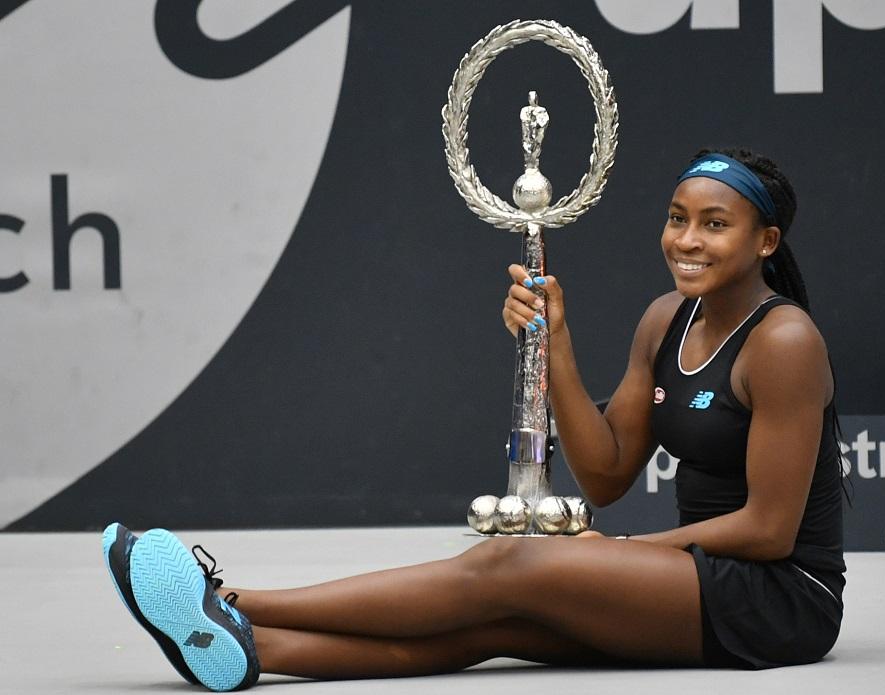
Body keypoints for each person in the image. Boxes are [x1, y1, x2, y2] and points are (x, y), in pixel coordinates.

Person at [103, 148, 845, 691]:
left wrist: (626, 553)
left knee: (508, 563)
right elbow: (609, 470)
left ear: (765, 242)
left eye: (715, 224)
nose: (687, 240)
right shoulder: (665, 320)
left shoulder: (784, 342)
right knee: (498, 628)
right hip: (694, 574)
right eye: (678, 218)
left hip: (778, 598)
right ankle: (248, 648)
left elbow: (769, 530)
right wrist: (553, 342)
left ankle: (232, 601)